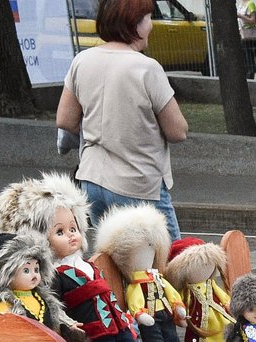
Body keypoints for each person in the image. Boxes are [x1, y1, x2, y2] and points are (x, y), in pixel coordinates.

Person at [56, 0, 188, 238]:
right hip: (139, 184)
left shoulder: (82, 61)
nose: (152, 25)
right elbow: (178, 131)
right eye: (148, 18)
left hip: (92, 179)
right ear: (133, 23)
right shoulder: (147, 68)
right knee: (169, 263)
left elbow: (65, 119)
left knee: (113, 264)